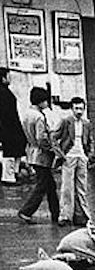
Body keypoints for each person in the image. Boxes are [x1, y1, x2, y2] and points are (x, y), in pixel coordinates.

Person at [17, 87, 58, 224]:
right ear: (41, 101)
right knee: (43, 185)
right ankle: (26, 211)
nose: (47, 103)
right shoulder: (39, 116)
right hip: (41, 155)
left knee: (50, 185)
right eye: (46, 100)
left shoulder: (27, 113)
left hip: (31, 152)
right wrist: (52, 149)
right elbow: (41, 138)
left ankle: (56, 213)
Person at [53, 96, 93, 227]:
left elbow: (90, 140)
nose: (79, 111)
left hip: (82, 157)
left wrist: (89, 155)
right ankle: (65, 216)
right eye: (76, 108)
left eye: (81, 108)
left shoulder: (86, 123)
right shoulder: (66, 121)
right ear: (71, 109)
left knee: (82, 187)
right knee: (67, 188)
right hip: (69, 157)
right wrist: (61, 154)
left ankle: (81, 215)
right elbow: (53, 137)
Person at [0, 67, 27, 180]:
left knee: (17, 147)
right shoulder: (3, 92)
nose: (10, 78)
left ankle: (14, 172)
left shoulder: (5, 91)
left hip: (10, 125)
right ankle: (9, 176)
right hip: (8, 126)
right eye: (8, 76)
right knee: (10, 150)